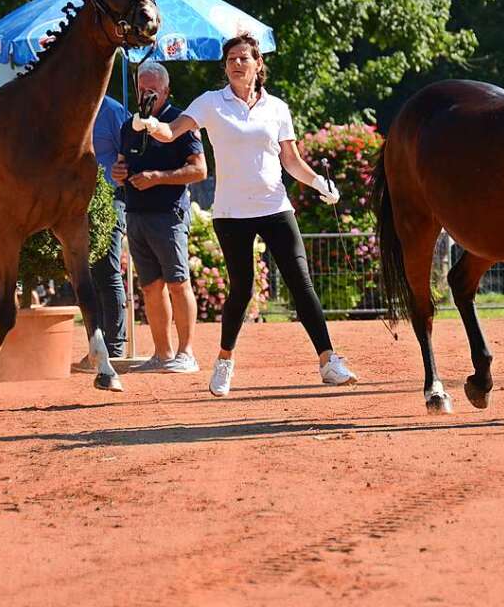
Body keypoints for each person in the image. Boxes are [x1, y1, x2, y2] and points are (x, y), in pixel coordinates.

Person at [132, 33, 357, 396]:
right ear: (225, 66)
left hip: (274, 206)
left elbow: (291, 161)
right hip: (232, 213)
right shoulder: (210, 103)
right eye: (231, 59)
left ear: (258, 65)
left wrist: (319, 183)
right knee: (242, 288)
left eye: (244, 58)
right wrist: (151, 126)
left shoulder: (277, 108)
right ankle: (224, 362)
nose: (237, 64)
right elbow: (172, 132)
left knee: (301, 283)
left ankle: (328, 360)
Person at [116, 61, 208, 373]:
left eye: (152, 90)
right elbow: (121, 164)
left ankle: (187, 353)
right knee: (151, 288)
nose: (146, 95)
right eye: (142, 89)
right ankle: (162, 354)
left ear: (166, 91)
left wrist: (158, 176)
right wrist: (118, 173)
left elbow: (199, 170)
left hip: (169, 214)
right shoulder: (129, 125)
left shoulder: (181, 121)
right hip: (136, 213)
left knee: (178, 282)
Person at [72, 94, 129, 372]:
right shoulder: (68, 103)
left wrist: (123, 169)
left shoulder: (113, 110)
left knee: (107, 270)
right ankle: (99, 345)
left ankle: (114, 346)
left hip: (110, 197)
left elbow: (130, 151)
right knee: (89, 274)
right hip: (76, 200)